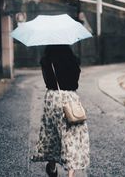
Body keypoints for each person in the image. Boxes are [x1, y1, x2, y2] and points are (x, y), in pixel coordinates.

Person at [31, 45, 90, 177]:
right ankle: (70, 174)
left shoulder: (46, 60)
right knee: (71, 137)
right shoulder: (72, 60)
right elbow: (75, 82)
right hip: (68, 99)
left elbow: (47, 81)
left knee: (51, 133)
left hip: (51, 99)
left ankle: (52, 167)